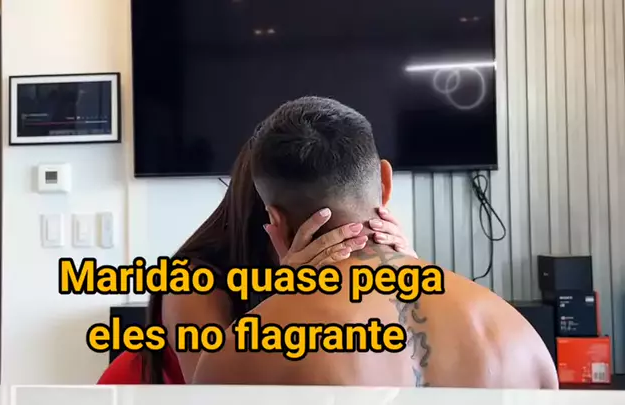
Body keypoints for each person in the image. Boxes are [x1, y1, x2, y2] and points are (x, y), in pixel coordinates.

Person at [191, 96, 559, 389]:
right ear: (385, 181)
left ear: (276, 220)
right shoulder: (521, 337)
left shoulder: (243, 350)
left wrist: (284, 297)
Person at [97, 139, 417, 385]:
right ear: (277, 222)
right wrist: (291, 296)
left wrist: (411, 277)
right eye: (332, 239)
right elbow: (214, 396)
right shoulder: (192, 281)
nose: (348, 256)